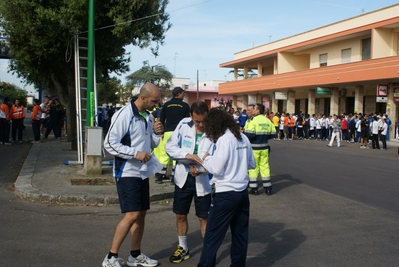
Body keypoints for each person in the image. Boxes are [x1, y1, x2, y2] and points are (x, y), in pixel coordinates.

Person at [102, 83, 164, 267]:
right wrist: (135, 153)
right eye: (154, 101)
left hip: (142, 173)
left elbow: (150, 145)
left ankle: (135, 255)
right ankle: (111, 257)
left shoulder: (147, 116)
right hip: (127, 172)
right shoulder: (124, 114)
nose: (157, 105)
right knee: (132, 214)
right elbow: (109, 144)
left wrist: (156, 133)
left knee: (141, 214)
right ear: (143, 97)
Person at [197, 109, 256, 267]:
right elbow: (252, 164)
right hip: (242, 193)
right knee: (240, 235)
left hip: (226, 194)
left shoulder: (224, 139)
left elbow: (216, 169)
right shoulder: (242, 137)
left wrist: (207, 159)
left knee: (212, 237)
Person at [165, 101, 213, 264]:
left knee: (203, 218)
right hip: (183, 178)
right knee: (180, 214)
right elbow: (170, 147)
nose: (200, 125)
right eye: (197, 121)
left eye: (203, 121)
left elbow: (217, 157)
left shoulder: (215, 130)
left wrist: (201, 168)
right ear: (191, 116)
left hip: (203, 180)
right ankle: (183, 247)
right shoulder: (183, 125)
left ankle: (208, 252)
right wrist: (186, 155)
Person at [155, 87, 190, 184]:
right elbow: (187, 121)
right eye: (183, 93)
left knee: (164, 153)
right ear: (179, 94)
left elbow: (161, 120)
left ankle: (159, 176)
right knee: (177, 154)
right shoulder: (185, 106)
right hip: (179, 133)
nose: (184, 95)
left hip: (167, 132)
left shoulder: (166, 105)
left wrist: (161, 133)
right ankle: (174, 177)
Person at [244, 103, 276, 195]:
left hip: (254, 148)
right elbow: (273, 133)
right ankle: (268, 187)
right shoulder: (267, 120)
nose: (253, 110)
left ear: (258, 111)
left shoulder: (254, 120)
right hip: (265, 147)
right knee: (265, 167)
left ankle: (254, 188)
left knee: (253, 167)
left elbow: (250, 135)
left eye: (254, 109)